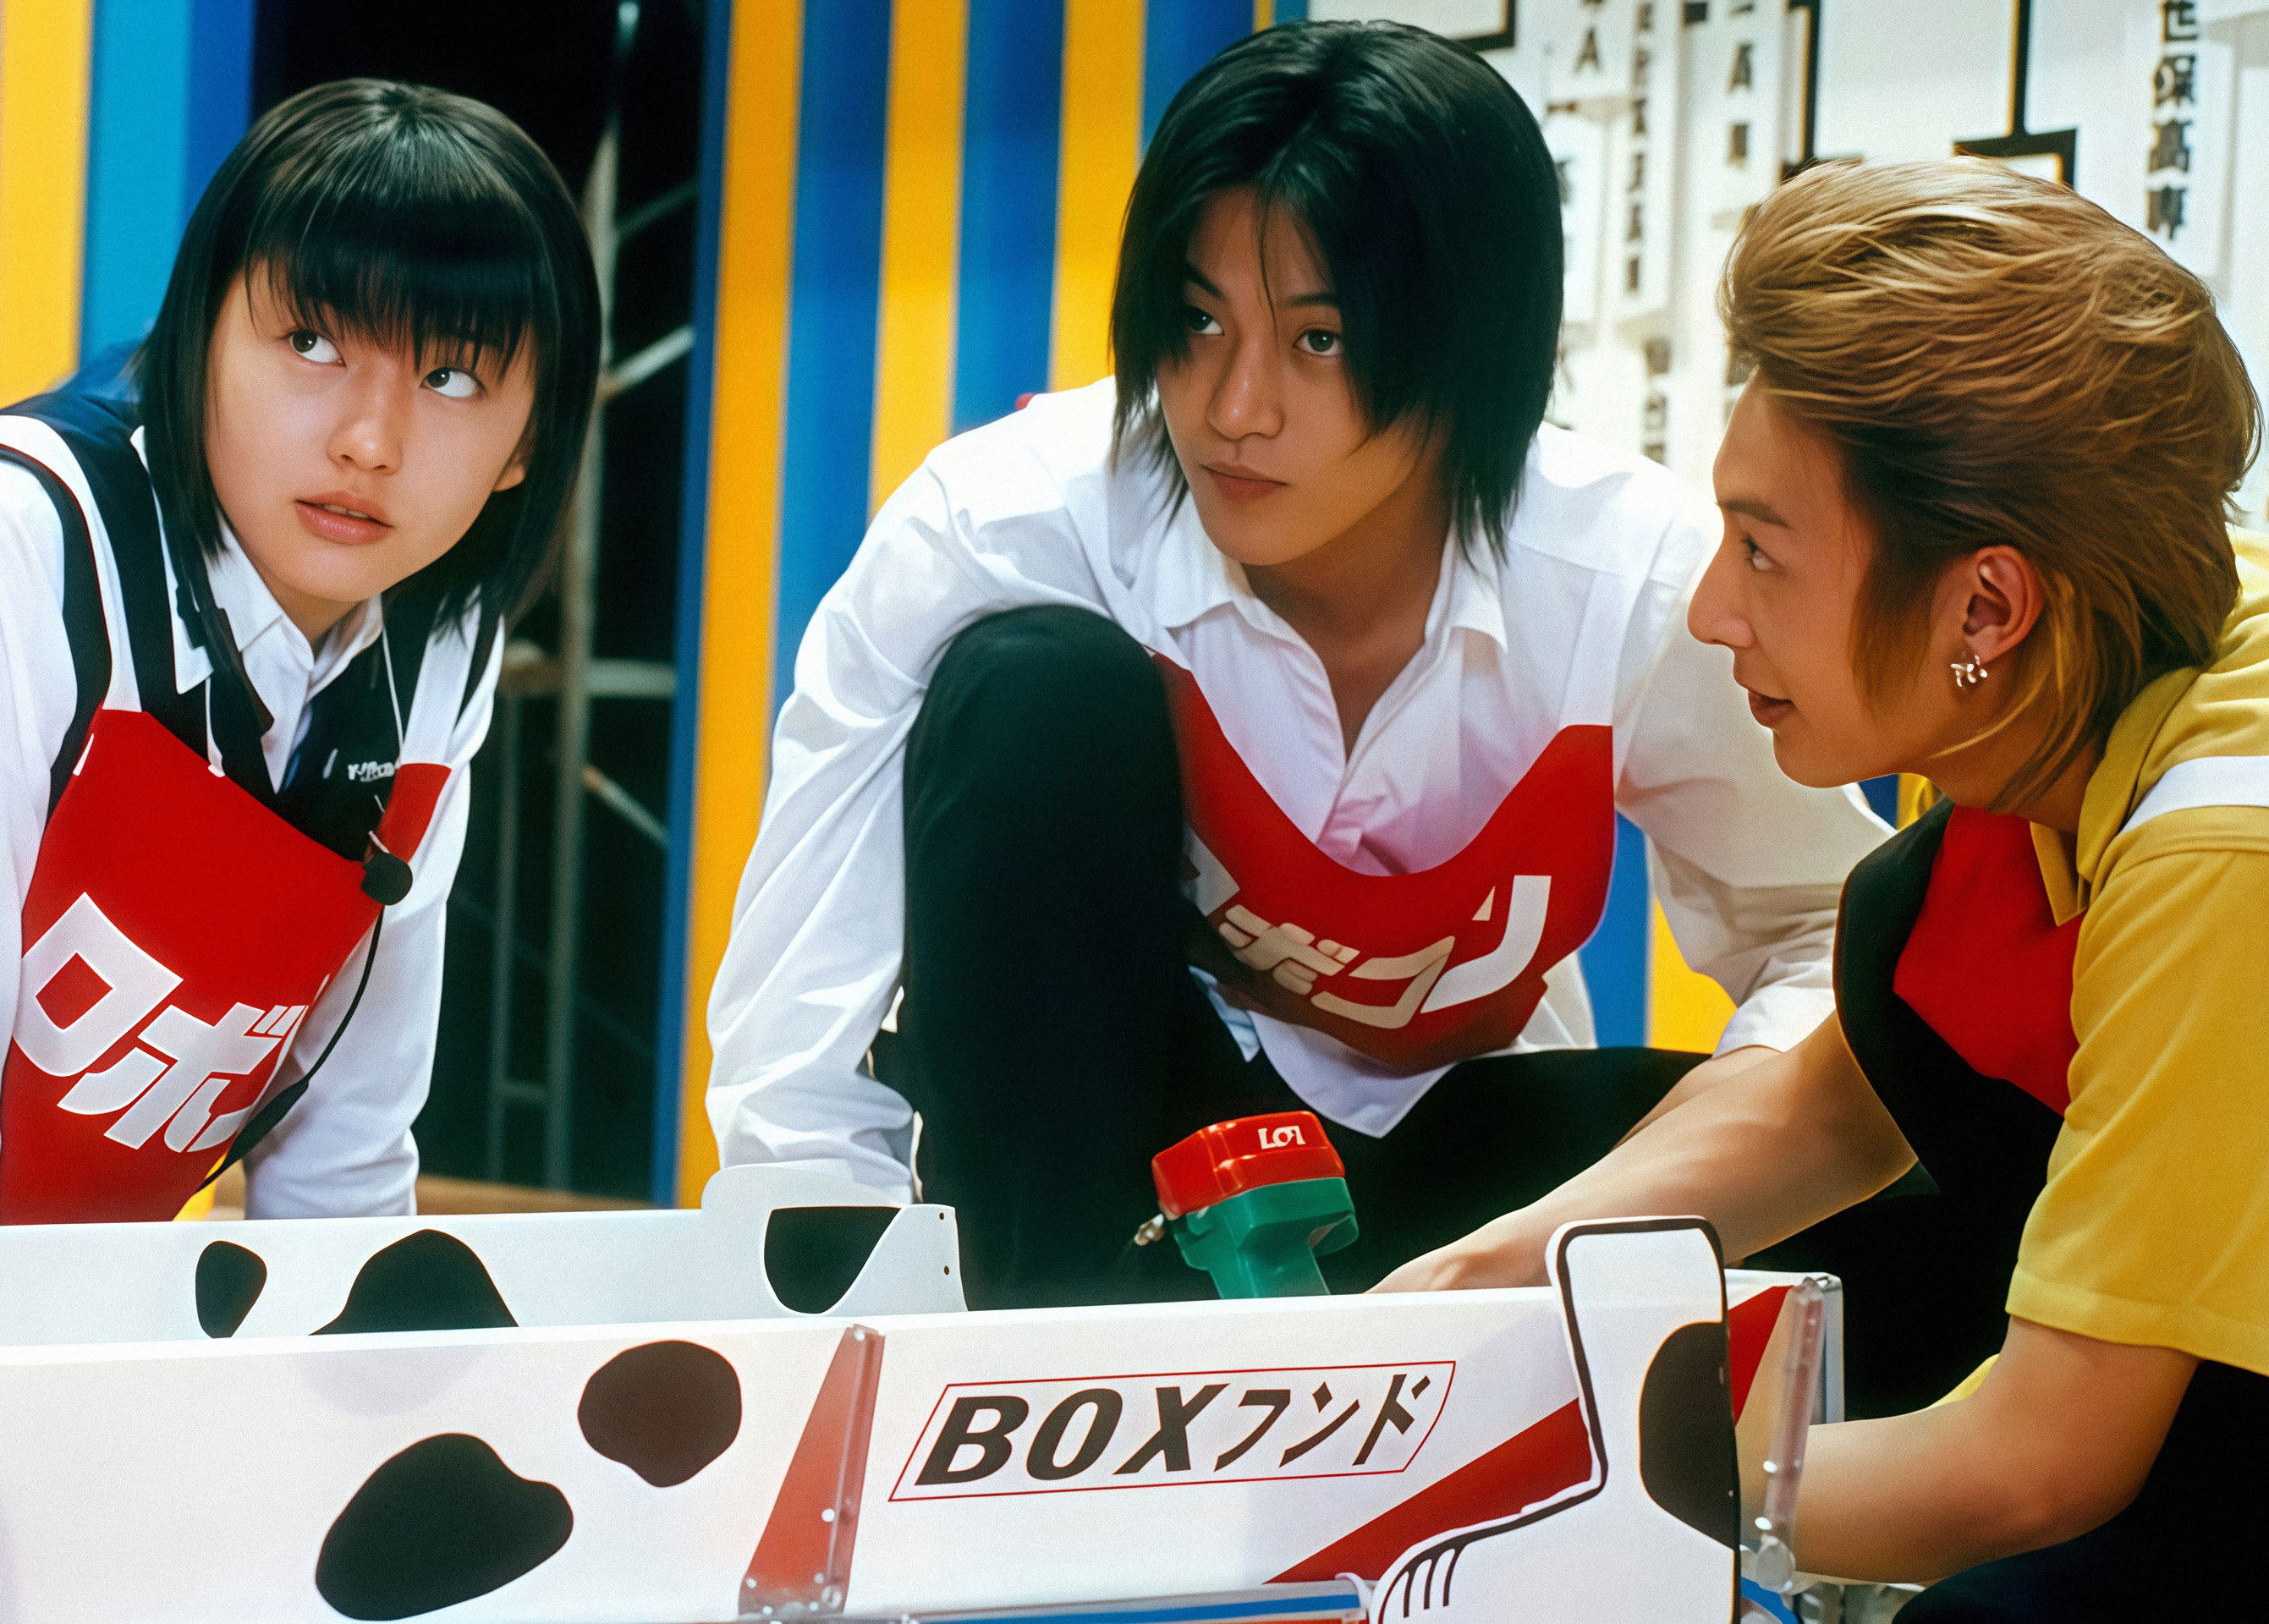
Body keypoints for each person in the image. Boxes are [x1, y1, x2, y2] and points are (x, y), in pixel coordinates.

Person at [1380, 158, 2269, 1611]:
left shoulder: (2249, 854)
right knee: (1894, 932)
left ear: (1984, 605)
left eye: (1762, 554)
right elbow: (1829, 1100)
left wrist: (1509, 1482)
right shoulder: (2104, 665)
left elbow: (2031, 1472)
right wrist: (1471, 1288)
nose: (1712, 613)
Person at [706, 21, 1888, 1309]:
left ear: (1468, 349)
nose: (1233, 409)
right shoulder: (1008, 524)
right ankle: (1047, 1349)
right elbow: (801, 1032)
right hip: (1124, 1181)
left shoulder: (1628, 577)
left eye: (1317, 340)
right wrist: (837, 1323)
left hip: (1470, 1174)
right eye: (1197, 320)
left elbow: (1823, 930)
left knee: (1924, 1183)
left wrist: (1669, 1174)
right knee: (1034, 685)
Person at [0, 80, 599, 1231]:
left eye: (451, 377)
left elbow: (346, 1158)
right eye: (312, 342)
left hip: (28, 1261)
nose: (369, 442)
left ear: (529, 441)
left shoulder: (441, 634)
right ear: (197, 339)